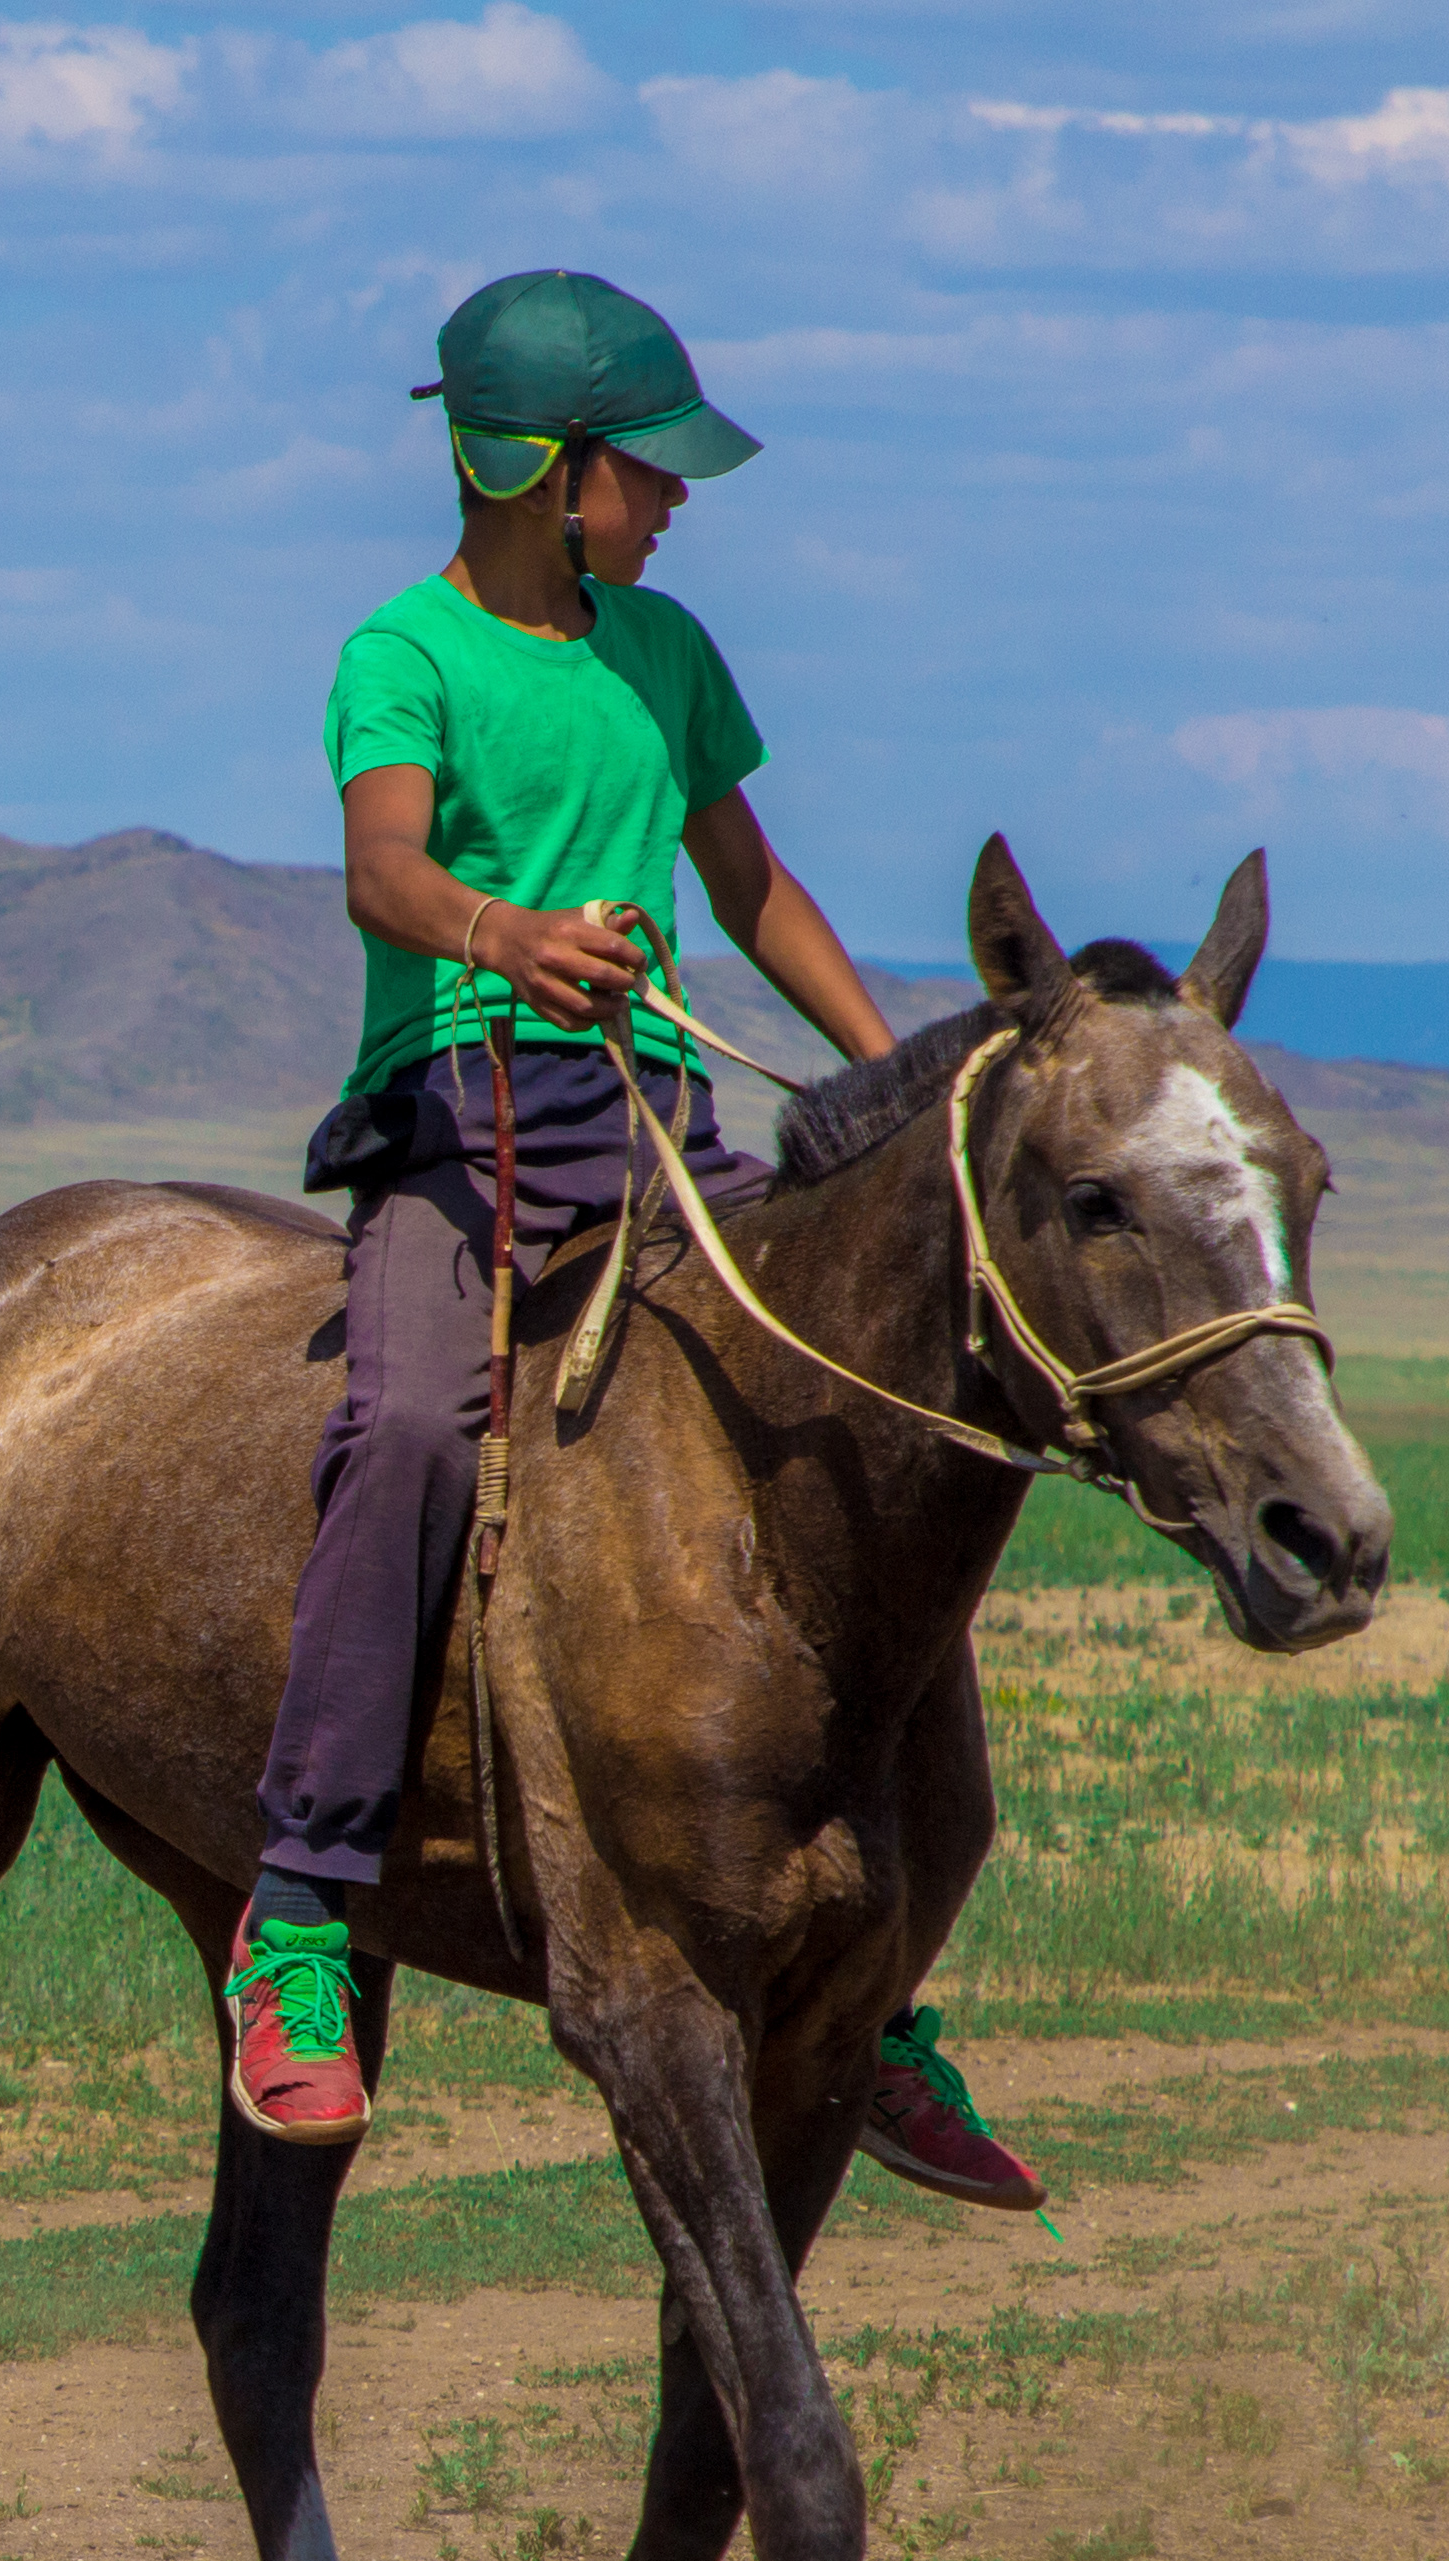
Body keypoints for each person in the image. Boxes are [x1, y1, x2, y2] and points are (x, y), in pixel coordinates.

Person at [230, 272, 1043, 2214]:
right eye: (644, 470)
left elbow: (753, 889)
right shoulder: (399, 655)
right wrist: (514, 939)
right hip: (461, 1127)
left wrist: (912, 1075)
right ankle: (300, 1924)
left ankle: (885, 1982)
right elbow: (386, 869)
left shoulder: (667, 655)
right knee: (412, 1435)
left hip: (660, 1138)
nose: (674, 502)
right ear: (533, 466)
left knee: (858, 1434)